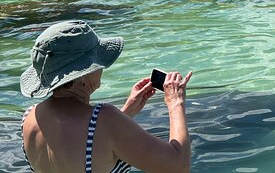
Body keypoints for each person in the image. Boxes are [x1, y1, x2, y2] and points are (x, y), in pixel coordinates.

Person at [20, 20, 192, 173]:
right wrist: (175, 101)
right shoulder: (104, 119)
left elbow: (86, 145)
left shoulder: (30, 118)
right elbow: (178, 166)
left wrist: (126, 112)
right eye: (97, 62)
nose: (101, 68)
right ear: (83, 74)